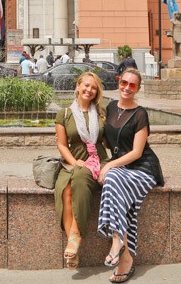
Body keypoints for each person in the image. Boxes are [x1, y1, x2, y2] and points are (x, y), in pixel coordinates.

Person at [97, 68, 164, 283]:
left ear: (138, 88)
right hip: (122, 168)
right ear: (118, 82)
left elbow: (136, 152)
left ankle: (118, 243)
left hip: (143, 168)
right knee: (113, 181)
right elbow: (108, 140)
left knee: (112, 178)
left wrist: (108, 166)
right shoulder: (110, 107)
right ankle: (122, 251)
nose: (127, 87)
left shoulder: (140, 113)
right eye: (124, 82)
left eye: (132, 85)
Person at [54, 71, 108, 270]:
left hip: (98, 162)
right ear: (77, 86)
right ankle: (73, 247)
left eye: (93, 87)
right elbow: (61, 145)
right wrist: (74, 161)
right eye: (86, 85)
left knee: (80, 177)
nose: (89, 90)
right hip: (73, 162)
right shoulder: (65, 113)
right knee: (66, 191)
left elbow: (108, 140)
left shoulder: (101, 113)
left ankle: (74, 239)